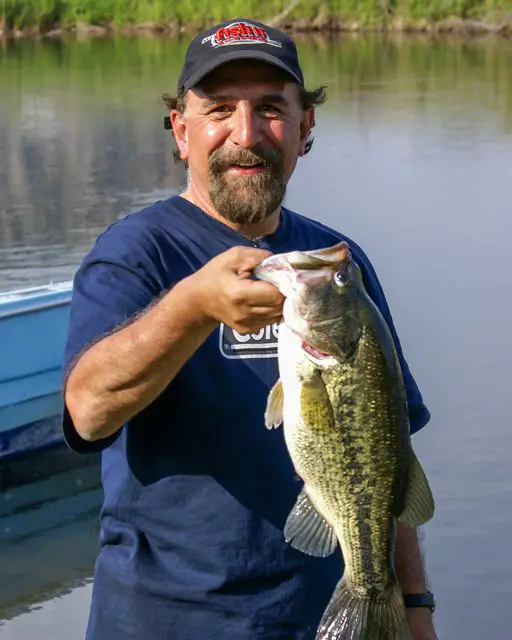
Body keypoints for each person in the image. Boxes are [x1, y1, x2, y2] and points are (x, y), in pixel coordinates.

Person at [62, 18, 438, 640]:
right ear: (182, 131)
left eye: (269, 108)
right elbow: (88, 411)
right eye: (218, 110)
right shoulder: (135, 254)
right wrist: (192, 307)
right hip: (166, 623)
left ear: (304, 129)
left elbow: (386, 455)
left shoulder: (337, 264)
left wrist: (415, 607)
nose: (245, 133)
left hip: (330, 620)